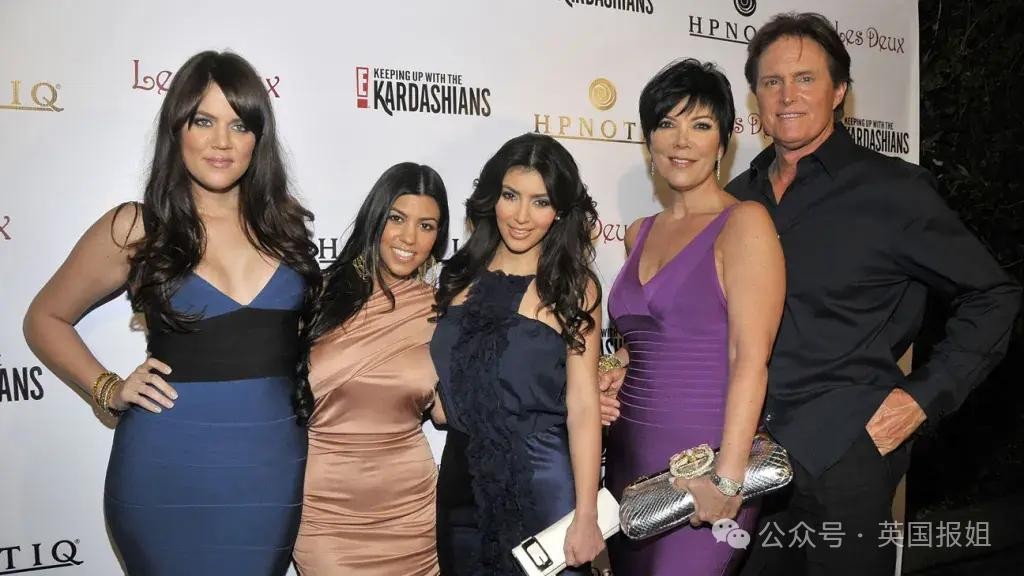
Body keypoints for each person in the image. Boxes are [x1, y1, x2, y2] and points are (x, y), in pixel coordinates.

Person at [721, 13, 1019, 576]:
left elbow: (993, 295)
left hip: (844, 456)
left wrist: (921, 399)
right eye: (771, 81)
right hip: (748, 457)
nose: (787, 95)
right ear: (756, 96)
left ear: (838, 91)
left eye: (805, 79)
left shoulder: (893, 191)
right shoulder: (737, 199)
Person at [22, 51, 320, 575]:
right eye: (203, 121)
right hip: (164, 469)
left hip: (269, 471)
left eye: (239, 125)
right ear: (176, 128)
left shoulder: (284, 228)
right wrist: (108, 389)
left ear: (258, 139)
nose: (222, 141)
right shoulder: (137, 226)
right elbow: (44, 318)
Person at [598, 58, 785, 576]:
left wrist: (729, 479)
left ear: (723, 141)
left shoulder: (744, 223)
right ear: (649, 141)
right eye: (667, 123)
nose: (682, 141)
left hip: (706, 465)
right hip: (630, 461)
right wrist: (612, 368)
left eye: (700, 125)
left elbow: (750, 358)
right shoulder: (638, 232)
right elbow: (651, 338)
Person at [430, 133, 606, 575]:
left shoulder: (573, 289)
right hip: (461, 487)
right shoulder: (457, 277)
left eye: (540, 201)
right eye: (510, 196)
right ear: (493, 197)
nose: (521, 216)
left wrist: (586, 514)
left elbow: (583, 406)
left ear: (559, 210)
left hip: (542, 489)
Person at [292, 162, 449, 575]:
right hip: (326, 513)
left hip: (412, 512)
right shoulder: (317, 295)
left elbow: (447, 411)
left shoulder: (441, 311)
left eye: (426, 226)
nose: (409, 238)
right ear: (375, 217)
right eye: (397, 218)